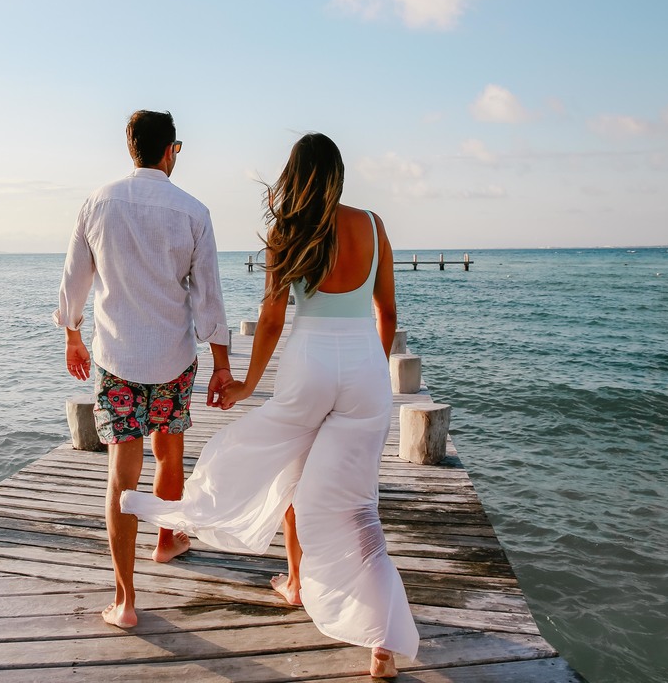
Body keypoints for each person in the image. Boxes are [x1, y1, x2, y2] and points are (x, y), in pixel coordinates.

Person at [120, 133, 418, 678]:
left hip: (308, 367)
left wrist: (246, 384)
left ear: (295, 176)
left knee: (285, 469)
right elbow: (389, 313)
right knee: (359, 508)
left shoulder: (289, 231)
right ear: (339, 174)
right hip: (364, 371)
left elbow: (274, 318)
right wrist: (370, 368)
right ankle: (382, 643)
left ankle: (295, 581)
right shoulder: (374, 225)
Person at [54, 109, 232, 630]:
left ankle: (125, 600)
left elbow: (74, 279)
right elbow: (208, 296)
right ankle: (167, 539)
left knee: (121, 475)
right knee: (169, 452)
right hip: (173, 358)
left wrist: (71, 334)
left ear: (130, 148)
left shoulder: (98, 202)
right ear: (170, 150)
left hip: (117, 360)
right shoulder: (193, 211)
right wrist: (222, 364)